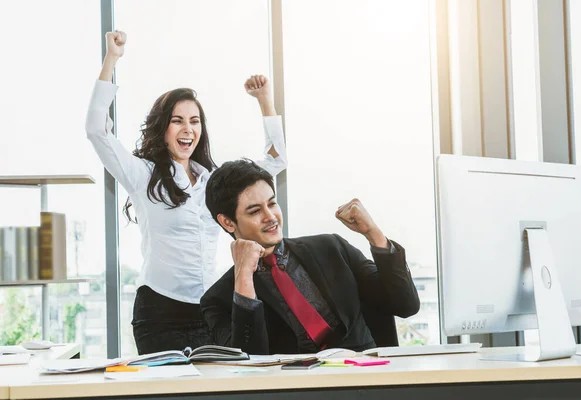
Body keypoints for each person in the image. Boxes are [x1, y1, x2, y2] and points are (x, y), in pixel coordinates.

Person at [85, 31, 287, 355]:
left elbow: (276, 160)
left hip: (211, 310)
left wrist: (265, 100)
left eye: (194, 121)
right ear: (162, 128)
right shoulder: (143, 175)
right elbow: (96, 129)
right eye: (177, 121)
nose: (187, 129)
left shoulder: (215, 182)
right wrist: (112, 59)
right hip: (159, 314)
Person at [200, 159, 420, 355]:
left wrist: (373, 233)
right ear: (228, 222)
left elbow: (405, 305)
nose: (270, 217)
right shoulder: (218, 300)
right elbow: (249, 362)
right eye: (255, 211)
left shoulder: (330, 248)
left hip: (363, 379)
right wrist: (244, 275)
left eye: (272, 203)